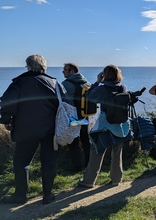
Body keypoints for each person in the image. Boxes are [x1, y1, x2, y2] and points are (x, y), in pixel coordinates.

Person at [0, 54, 62, 204]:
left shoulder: (19, 83)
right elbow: (65, 105)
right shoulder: (54, 83)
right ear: (44, 67)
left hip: (26, 130)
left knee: (21, 162)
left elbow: (8, 103)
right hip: (51, 130)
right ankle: (48, 195)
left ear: (28, 66)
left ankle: (20, 196)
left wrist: (7, 121)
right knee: (49, 162)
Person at [78, 65, 129, 187]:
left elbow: (89, 96)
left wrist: (97, 82)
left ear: (105, 75)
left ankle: (89, 181)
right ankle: (116, 179)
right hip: (119, 123)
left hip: (105, 123)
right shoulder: (123, 87)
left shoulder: (102, 89)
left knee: (96, 149)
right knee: (117, 151)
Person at [61, 63, 92, 172]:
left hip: (73, 116)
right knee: (85, 140)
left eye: (65, 70)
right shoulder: (86, 82)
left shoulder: (66, 84)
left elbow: (61, 100)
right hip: (85, 115)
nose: (63, 72)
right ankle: (89, 164)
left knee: (73, 142)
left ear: (72, 72)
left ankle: (77, 167)